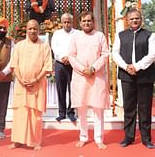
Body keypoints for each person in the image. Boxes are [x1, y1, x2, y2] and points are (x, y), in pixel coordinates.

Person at [112, 8, 155, 149]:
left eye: (137, 18)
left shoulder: (150, 35)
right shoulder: (121, 35)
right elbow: (115, 54)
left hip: (145, 76)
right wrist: (126, 66)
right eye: (131, 19)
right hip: (126, 76)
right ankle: (128, 137)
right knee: (129, 108)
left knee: (145, 109)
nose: (134, 21)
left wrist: (137, 66)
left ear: (141, 19)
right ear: (127, 20)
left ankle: (146, 139)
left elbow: (152, 55)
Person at [68, 11, 109, 150]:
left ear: (93, 22)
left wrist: (93, 69)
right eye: (84, 21)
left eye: (89, 21)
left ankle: (99, 138)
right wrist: (82, 69)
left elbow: (105, 55)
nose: (87, 23)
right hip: (80, 78)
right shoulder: (75, 37)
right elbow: (71, 56)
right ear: (80, 23)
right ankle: (83, 137)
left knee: (98, 109)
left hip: (96, 77)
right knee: (82, 109)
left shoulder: (100, 36)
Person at [9, 19, 52, 150]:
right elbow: (14, 65)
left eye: (35, 29)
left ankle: (35, 141)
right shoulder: (19, 46)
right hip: (21, 85)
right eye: (30, 29)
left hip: (37, 85)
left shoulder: (44, 46)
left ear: (39, 31)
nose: (32, 31)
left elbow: (47, 66)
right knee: (20, 113)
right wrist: (21, 79)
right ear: (26, 30)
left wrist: (36, 80)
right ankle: (18, 140)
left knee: (35, 115)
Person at [51, 13, 78, 122]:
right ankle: (61, 113)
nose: (67, 24)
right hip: (60, 64)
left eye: (69, 22)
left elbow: (78, 48)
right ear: (61, 23)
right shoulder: (57, 34)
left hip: (73, 64)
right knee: (60, 89)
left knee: (73, 89)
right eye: (65, 22)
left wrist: (70, 58)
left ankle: (71, 112)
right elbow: (54, 47)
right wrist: (62, 57)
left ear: (72, 22)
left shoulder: (77, 34)